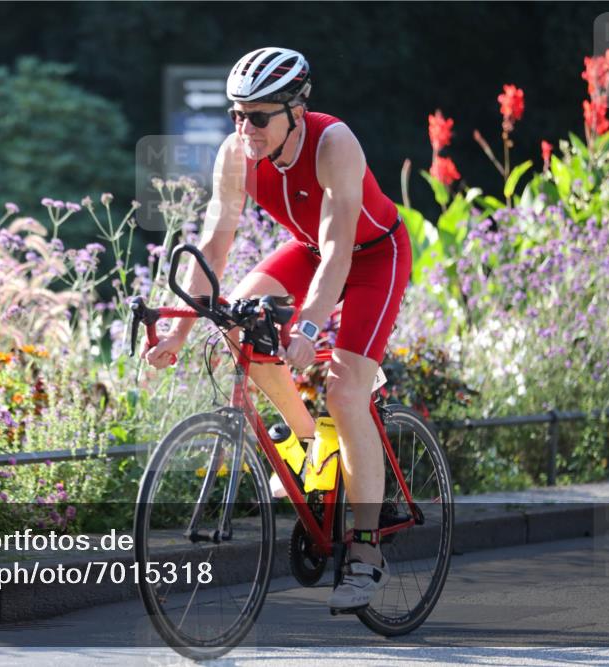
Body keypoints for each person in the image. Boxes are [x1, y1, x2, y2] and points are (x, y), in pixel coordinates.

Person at [143, 47, 412, 610]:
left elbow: (341, 251)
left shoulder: (335, 144)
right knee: (236, 324)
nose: (245, 128)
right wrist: (180, 332)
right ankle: (315, 450)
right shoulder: (236, 154)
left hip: (372, 256)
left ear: (295, 110)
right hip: (308, 251)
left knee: (344, 391)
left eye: (258, 116)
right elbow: (215, 243)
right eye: (236, 114)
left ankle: (366, 551)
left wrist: (312, 328)